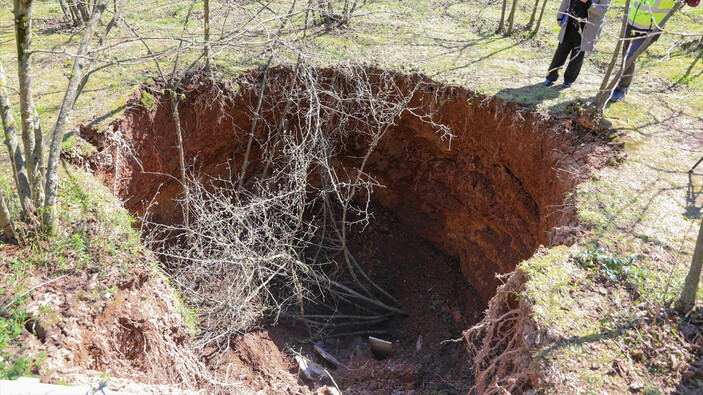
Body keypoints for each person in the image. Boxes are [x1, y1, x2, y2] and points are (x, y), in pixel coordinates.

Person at [610, 0, 697, 102]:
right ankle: (618, 84)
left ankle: (621, 89)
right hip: (632, 20)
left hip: (650, 29)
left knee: (630, 57)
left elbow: (694, 3)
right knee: (625, 55)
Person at [544, 0, 610, 88]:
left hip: (586, 29)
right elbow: (566, 1)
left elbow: (602, 11)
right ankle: (551, 77)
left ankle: (569, 79)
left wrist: (588, 2)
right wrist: (560, 16)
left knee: (577, 56)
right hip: (569, 24)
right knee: (561, 52)